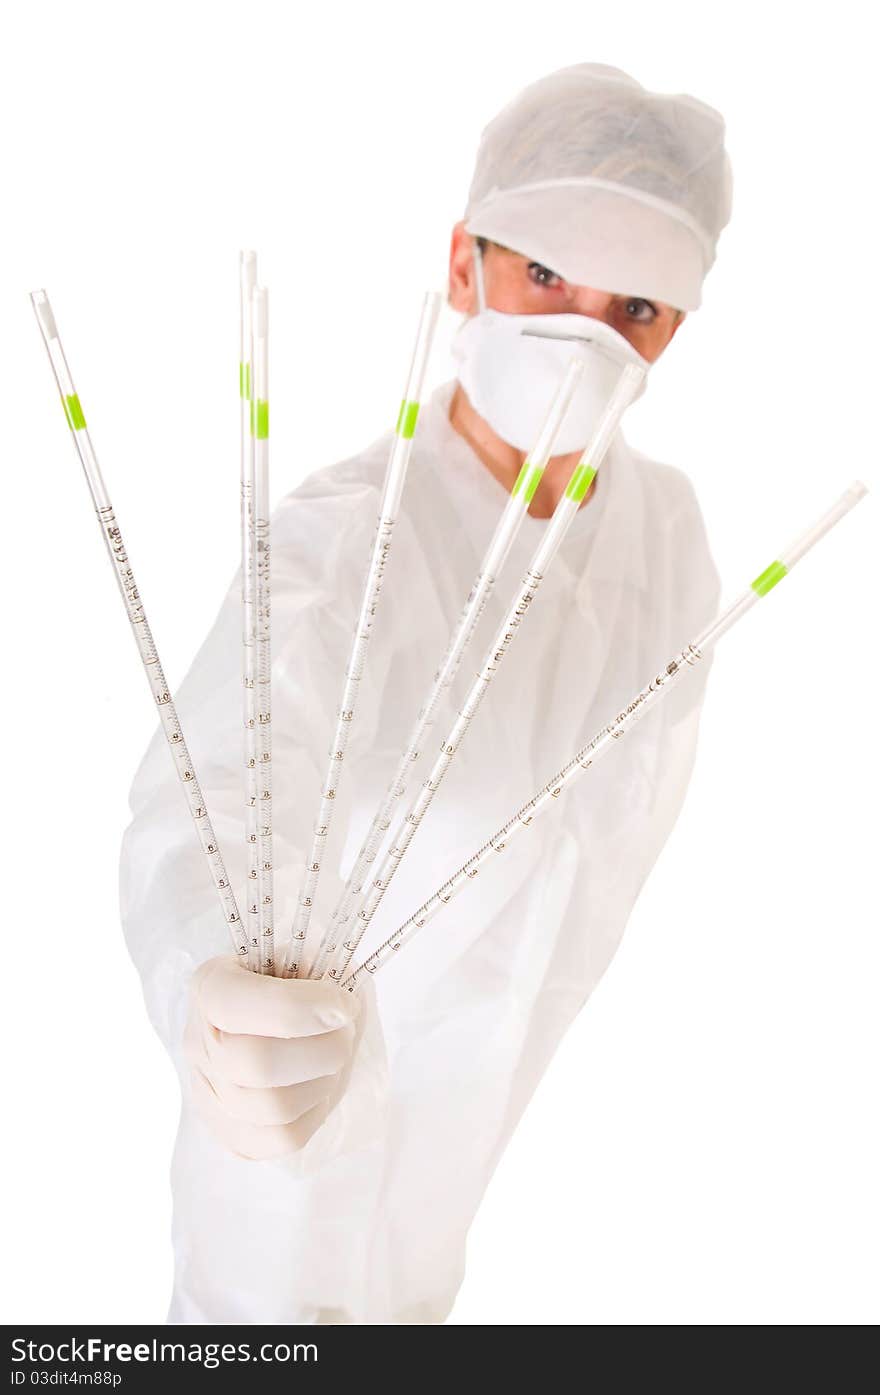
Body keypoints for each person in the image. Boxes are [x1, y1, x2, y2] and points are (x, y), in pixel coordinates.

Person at [119, 62, 733, 1323]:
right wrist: (203, 991)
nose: (587, 333)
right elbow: (211, 802)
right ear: (462, 266)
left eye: (638, 306)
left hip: (458, 1194)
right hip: (280, 1168)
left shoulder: (667, 544)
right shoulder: (345, 548)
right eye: (546, 277)